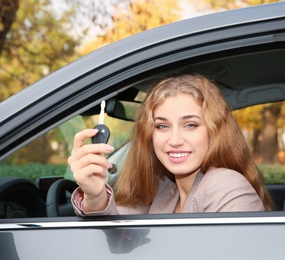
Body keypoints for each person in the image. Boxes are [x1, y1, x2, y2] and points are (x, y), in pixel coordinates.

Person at [68, 73, 273, 216]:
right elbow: (119, 234)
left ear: (215, 131)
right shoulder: (165, 189)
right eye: (163, 126)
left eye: (190, 125)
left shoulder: (225, 185)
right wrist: (95, 194)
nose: (174, 140)